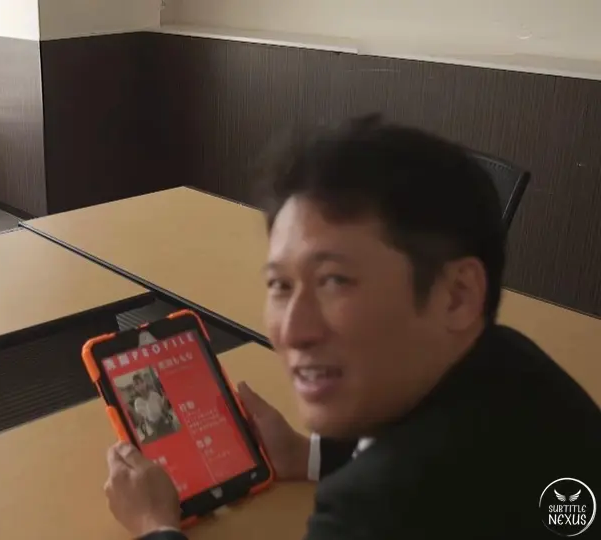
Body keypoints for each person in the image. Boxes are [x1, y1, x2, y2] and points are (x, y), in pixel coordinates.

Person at [103, 116, 601, 539]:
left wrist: (155, 526)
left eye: (335, 281)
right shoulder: (510, 362)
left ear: (457, 294)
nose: (293, 330)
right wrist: (303, 455)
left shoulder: (373, 510)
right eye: (280, 285)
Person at [132, 373, 172, 441]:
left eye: (141, 382)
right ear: (135, 388)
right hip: (153, 430)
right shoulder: (137, 403)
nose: (140, 386)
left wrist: (165, 399)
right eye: (137, 384)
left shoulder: (155, 395)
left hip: (164, 424)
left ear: (145, 383)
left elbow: (165, 410)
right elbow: (141, 420)